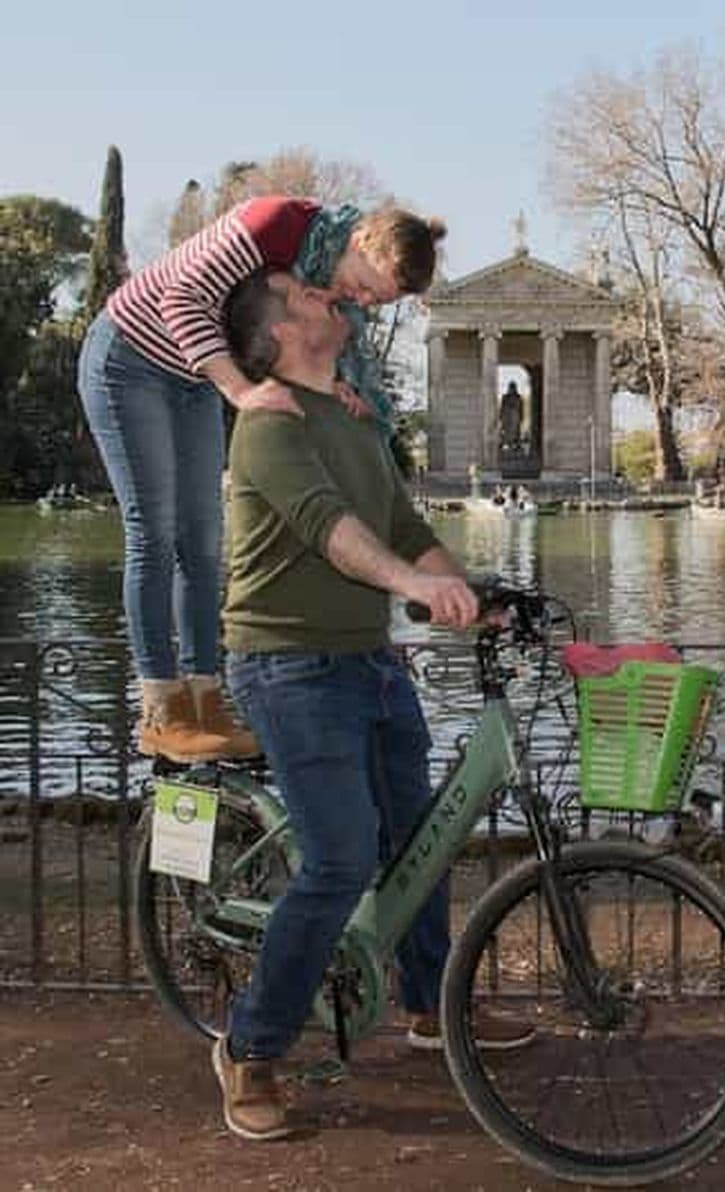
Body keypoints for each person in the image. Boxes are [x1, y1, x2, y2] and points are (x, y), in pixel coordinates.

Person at [215, 271, 535, 1142]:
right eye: (305, 294)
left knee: (418, 837)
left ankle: (431, 1009)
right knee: (343, 858)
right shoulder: (268, 420)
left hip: (371, 662)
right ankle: (251, 1049)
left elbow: (399, 525)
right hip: (287, 667)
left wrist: (462, 585)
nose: (327, 295)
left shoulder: (356, 420)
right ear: (281, 333)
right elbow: (332, 531)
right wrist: (413, 589)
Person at [77, 195, 445, 764]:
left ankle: (204, 699)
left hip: (191, 376)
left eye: (378, 302)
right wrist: (241, 391)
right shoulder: (273, 224)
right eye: (371, 288)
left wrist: (338, 386)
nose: (364, 303)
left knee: (202, 541)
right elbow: (181, 297)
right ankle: (159, 709)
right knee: (154, 530)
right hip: (129, 357)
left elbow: (281, 337)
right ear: (364, 242)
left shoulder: (324, 270)